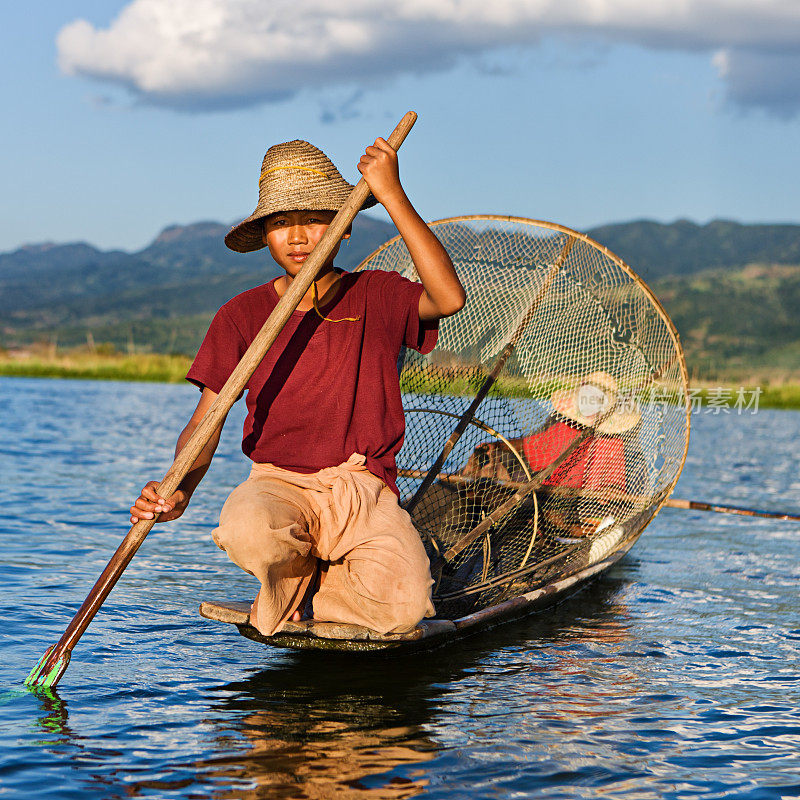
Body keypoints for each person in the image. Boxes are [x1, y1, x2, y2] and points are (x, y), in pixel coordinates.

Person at [129, 136, 466, 637]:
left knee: (405, 607)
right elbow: (207, 420)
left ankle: (318, 592)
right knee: (246, 528)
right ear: (265, 235)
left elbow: (448, 297)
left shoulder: (376, 294)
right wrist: (177, 490)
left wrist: (392, 194)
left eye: (314, 218)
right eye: (281, 223)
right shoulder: (242, 315)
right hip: (278, 484)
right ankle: (299, 576)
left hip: (362, 488)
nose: (298, 236)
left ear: (345, 225)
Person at [413, 371, 644, 547]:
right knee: (476, 486)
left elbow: (613, 487)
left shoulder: (610, 442)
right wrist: (493, 446)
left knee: (488, 494)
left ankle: (557, 530)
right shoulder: (563, 426)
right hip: (542, 494)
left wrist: (607, 496)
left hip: (571, 504)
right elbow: (529, 446)